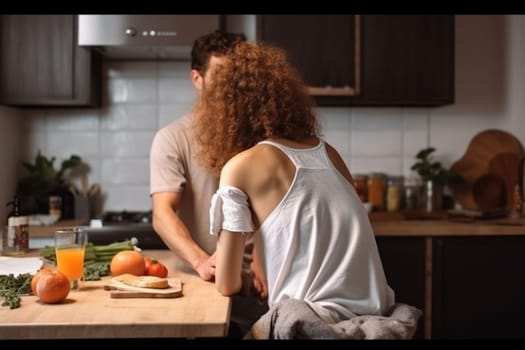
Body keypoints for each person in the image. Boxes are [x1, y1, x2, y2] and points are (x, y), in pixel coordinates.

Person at [193, 41, 396, 327]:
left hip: (314, 323)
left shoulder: (240, 167)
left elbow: (227, 284)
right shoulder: (329, 153)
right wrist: (262, 257)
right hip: (376, 315)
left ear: (226, 109)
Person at [149, 30, 246, 280]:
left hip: (259, 282)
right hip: (202, 278)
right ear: (197, 78)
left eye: (237, 76)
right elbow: (162, 214)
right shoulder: (172, 138)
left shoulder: (261, 135)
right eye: (222, 76)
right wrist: (202, 261)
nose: (231, 87)